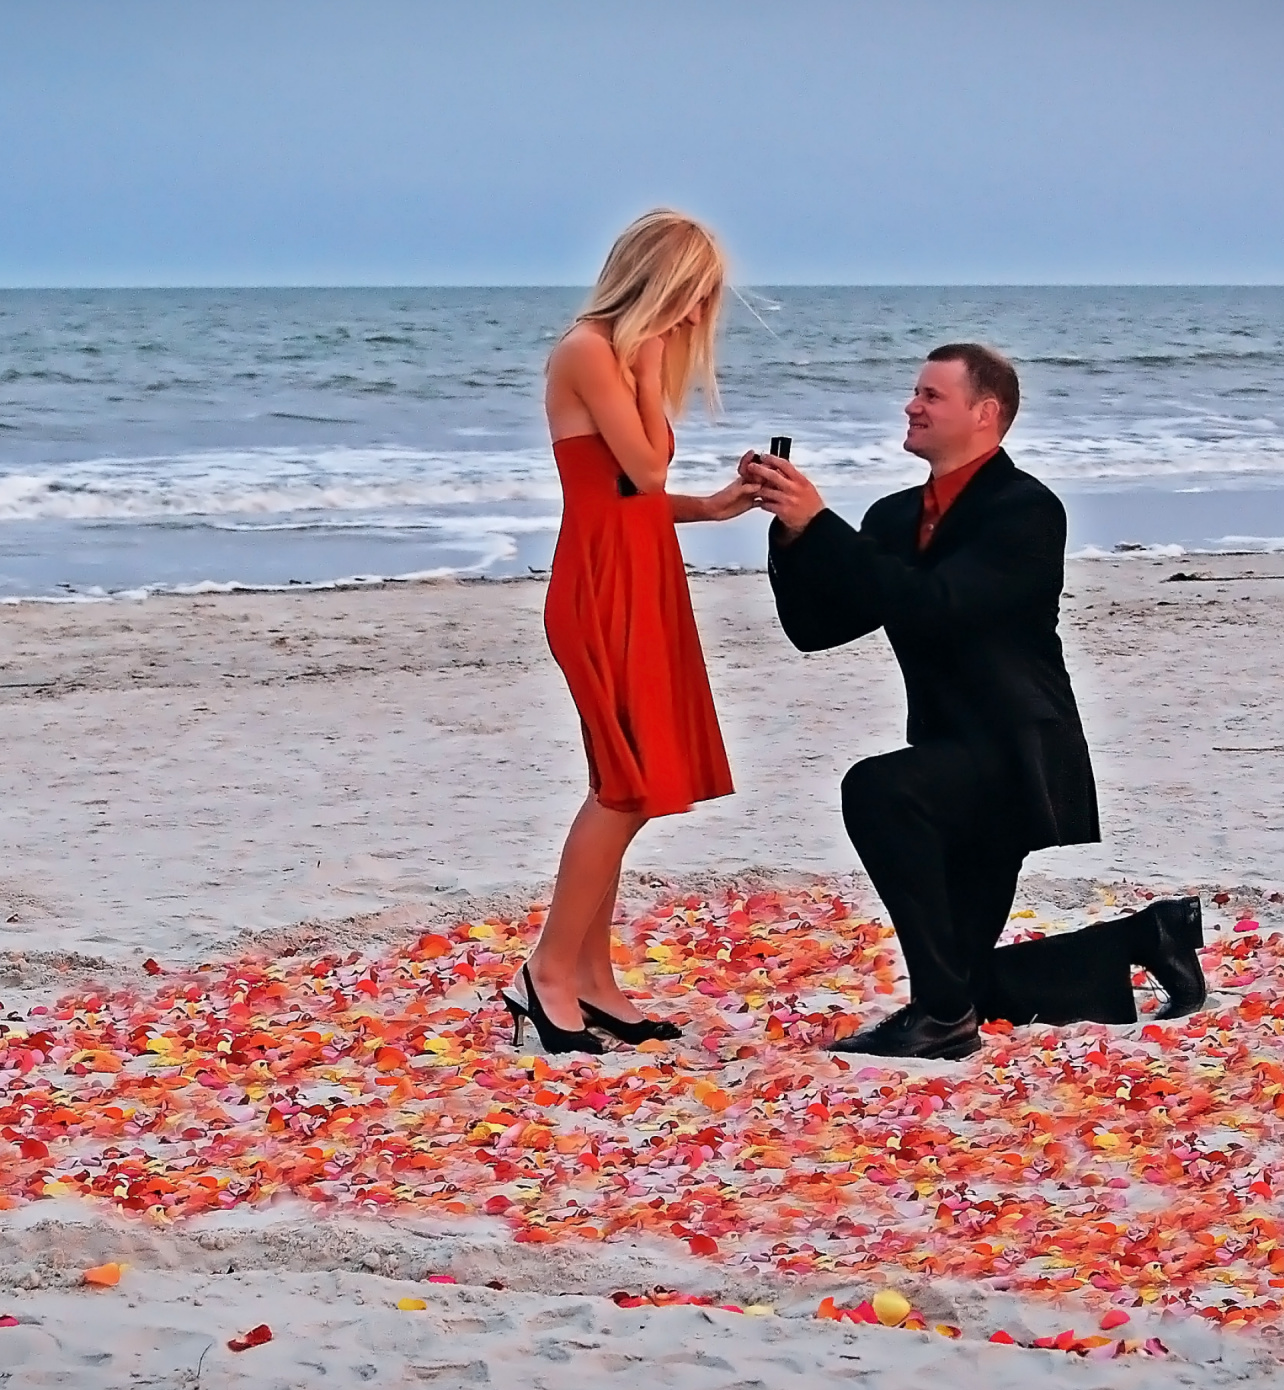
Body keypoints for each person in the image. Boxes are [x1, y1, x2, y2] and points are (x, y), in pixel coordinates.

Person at [740, 343, 1206, 1061]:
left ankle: (944, 1022)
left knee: (876, 789)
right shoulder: (895, 516)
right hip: (944, 754)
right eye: (915, 392)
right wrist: (795, 531)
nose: (911, 406)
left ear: (985, 414)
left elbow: (939, 605)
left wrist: (826, 525)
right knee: (963, 978)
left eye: (931, 395)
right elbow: (816, 627)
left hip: (1018, 757)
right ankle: (1146, 936)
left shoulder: (1027, 510)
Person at [506, 209, 759, 1055]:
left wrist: (711, 508)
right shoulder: (590, 350)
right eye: (692, 295)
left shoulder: (614, 357)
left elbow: (626, 496)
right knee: (624, 787)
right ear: (658, 283)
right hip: (602, 589)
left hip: (638, 578)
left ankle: (592, 978)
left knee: (628, 786)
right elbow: (644, 471)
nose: (697, 316)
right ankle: (546, 974)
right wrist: (649, 371)